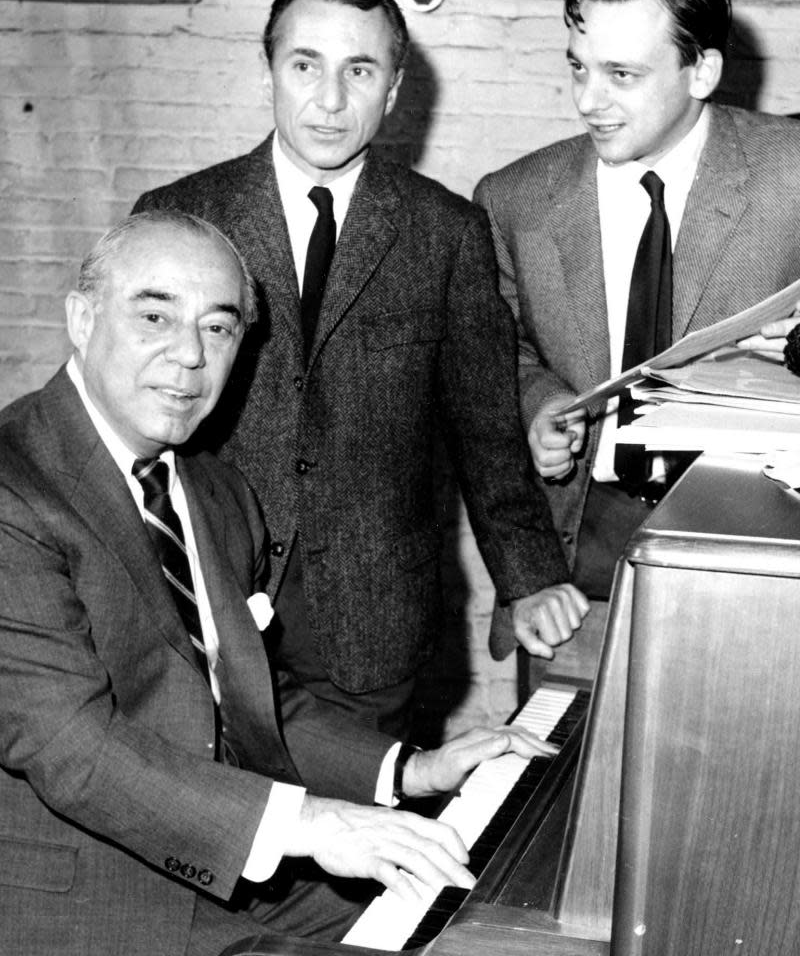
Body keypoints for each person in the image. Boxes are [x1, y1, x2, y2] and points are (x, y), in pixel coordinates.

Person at [0, 211, 564, 956]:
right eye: (155, 315)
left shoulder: (214, 489)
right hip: (88, 897)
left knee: (496, 929)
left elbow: (252, 696)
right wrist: (310, 823)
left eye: (219, 328)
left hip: (235, 865)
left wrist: (414, 770)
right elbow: (68, 743)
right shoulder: (14, 490)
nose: (188, 356)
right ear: (81, 318)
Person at [133, 0, 588, 738]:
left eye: (360, 70)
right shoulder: (179, 217)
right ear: (270, 69)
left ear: (396, 87)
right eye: (305, 65)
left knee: (357, 831)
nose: (330, 100)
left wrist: (532, 579)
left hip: (374, 623)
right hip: (202, 599)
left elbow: (485, 431)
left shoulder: (445, 233)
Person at [474, 0, 800, 634]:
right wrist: (542, 403)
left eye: (622, 74)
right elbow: (502, 350)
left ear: (702, 71)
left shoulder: (790, 173)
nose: (588, 99)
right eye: (578, 66)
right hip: (578, 550)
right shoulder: (513, 199)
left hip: (762, 546)